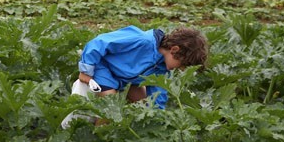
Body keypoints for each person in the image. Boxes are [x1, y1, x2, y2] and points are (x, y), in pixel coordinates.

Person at [77, 26, 208, 109]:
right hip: (105, 69)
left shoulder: (162, 67)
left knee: (146, 106)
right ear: (174, 50)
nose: (180, 70)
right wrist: (86, 70)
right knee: (112, 104)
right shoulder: (142, 40)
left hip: (127, 81)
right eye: (182, 65)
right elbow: (99, 42)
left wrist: (157, 127)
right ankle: (102, 138)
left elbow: (158, 95)